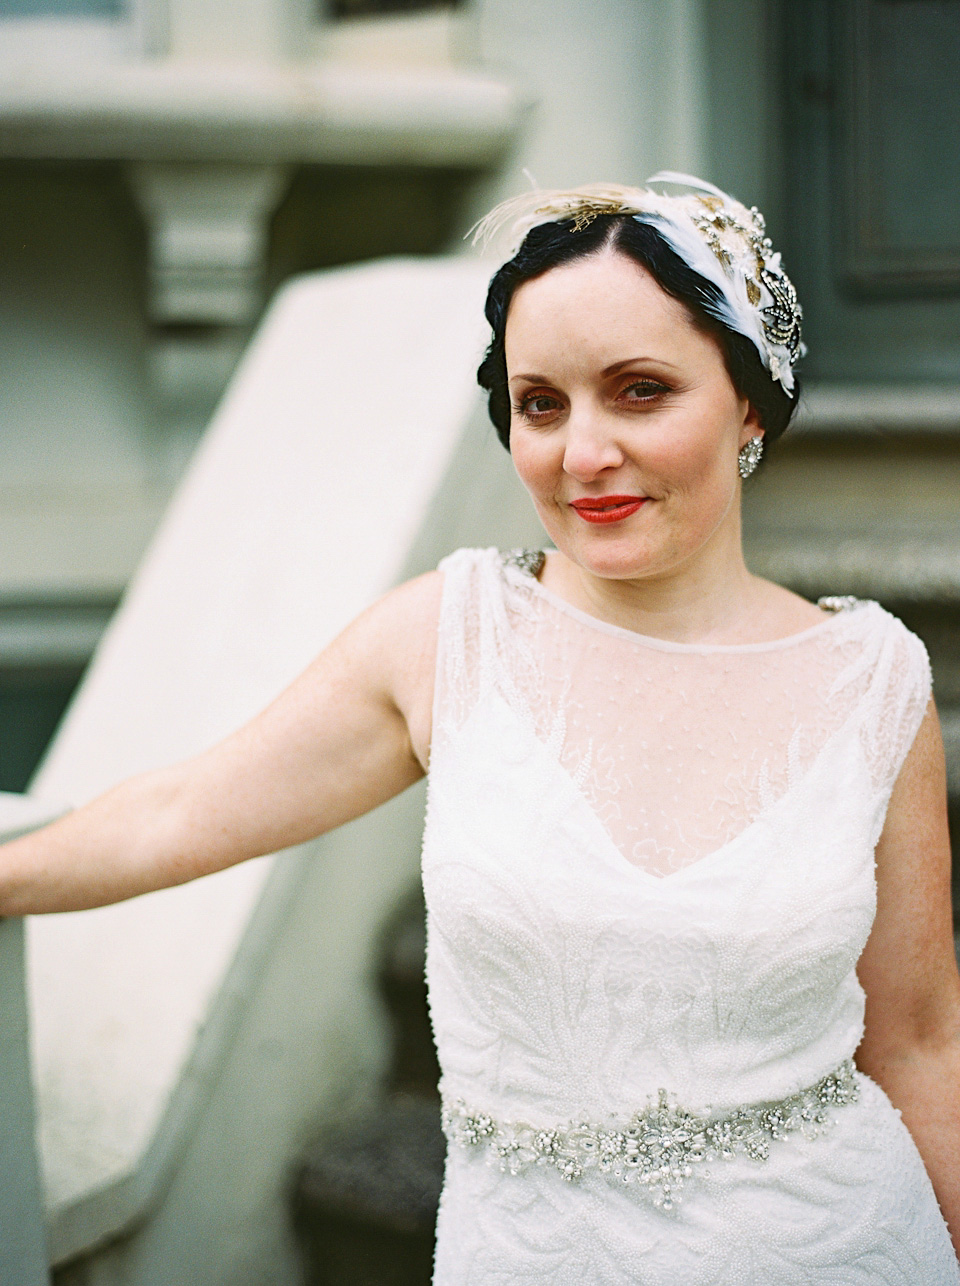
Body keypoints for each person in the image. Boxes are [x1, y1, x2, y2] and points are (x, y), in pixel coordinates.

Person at [2, 173, 959, 1284]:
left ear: (749, 400)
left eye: (639, 391)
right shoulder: (447, 640)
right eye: (541, 403)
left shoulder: (871, 678)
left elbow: (920, 1039)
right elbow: (173, 811)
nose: (581, 453)